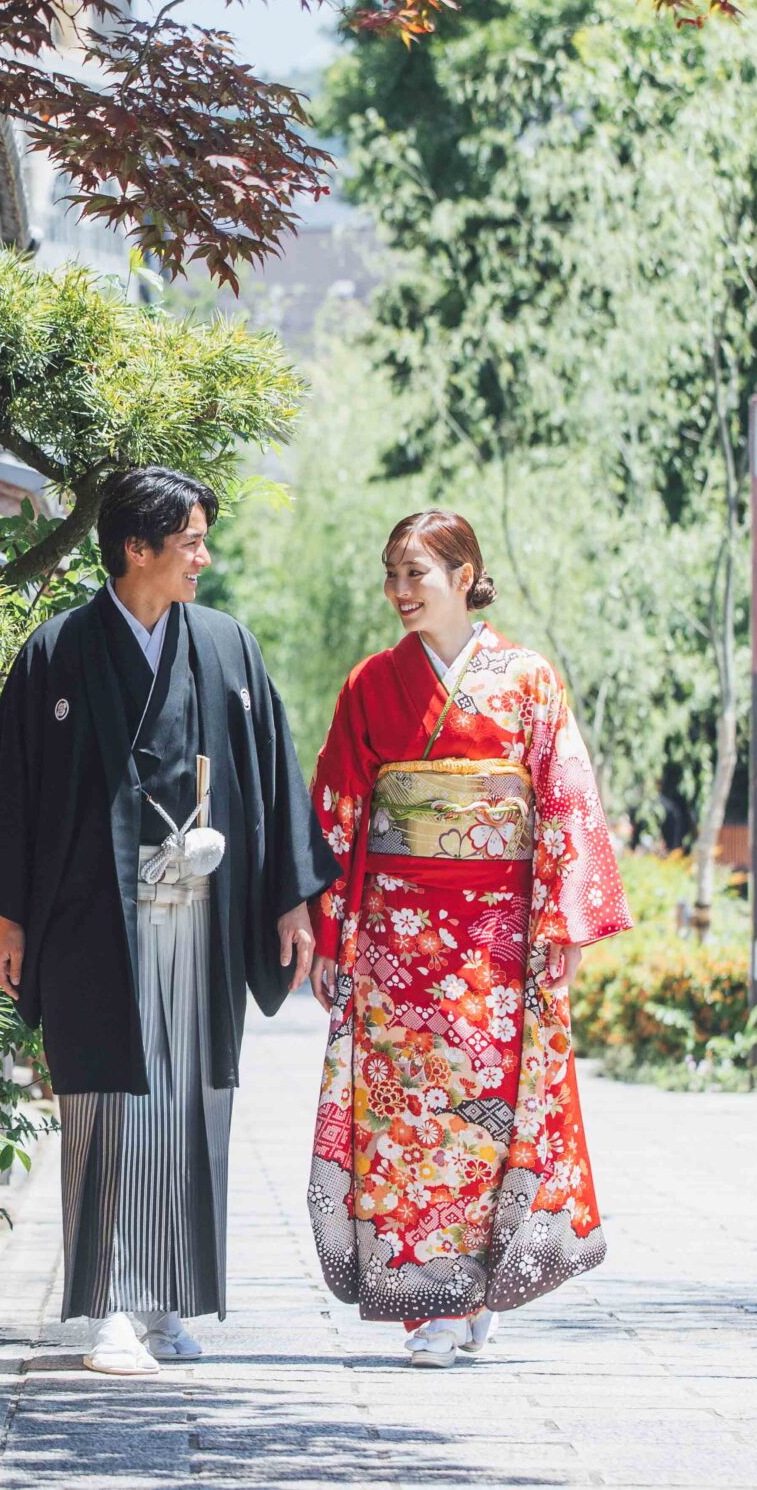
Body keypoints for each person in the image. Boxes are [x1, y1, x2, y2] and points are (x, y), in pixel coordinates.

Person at [0, 467, 338, 1376]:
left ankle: (168, 1301)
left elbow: (270, 776)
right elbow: (11, 795)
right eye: (191, 542)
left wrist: (292, 898)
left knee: (191, 1100)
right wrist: (10, 917)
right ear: (136, 548)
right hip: (97, 913)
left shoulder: (225, 648)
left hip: (204, 913)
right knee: (104, 1102)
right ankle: (103, 1308)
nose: (204, 558)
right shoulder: (56, 653)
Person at [304, 510, 632, 1369]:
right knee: (411, 1126)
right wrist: (329, 930)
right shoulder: (371, 684)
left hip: (494, 944)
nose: (400, 591)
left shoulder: (527, 680)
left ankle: (480, 1283)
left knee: (487, 1124)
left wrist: (563, 920)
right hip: (398, 950)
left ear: (464, 572)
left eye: (417, 573)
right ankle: (429, 1308)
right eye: (392, 574)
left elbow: (564, 799)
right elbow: (337, 810)